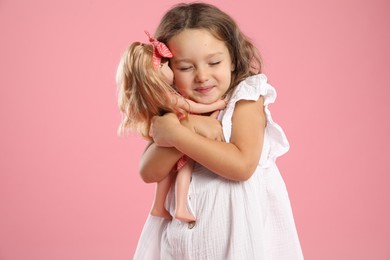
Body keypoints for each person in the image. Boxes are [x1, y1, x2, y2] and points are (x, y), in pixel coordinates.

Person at [134, 2, 304, 259]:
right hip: (181, 244)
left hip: (237, 244)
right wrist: (184, 124)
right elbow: (149, 172)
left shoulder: (245, 99)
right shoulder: (176, 110)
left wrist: (182, 133)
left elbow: (241, 165)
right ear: (166, 71)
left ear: (234, 59)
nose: (202, 76)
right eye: (185, 68)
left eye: (214, 62)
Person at [116, 32, 226, 223]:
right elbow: (193, 108)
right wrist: (216, 106)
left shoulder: (162, 100)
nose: (201, 76)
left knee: (170, 173)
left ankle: (158, 206)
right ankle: (180, 206)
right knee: (185, 167)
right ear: (154, 73)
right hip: (180, 140)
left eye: (214, 62)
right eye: (176, 66)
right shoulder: (169, 98)